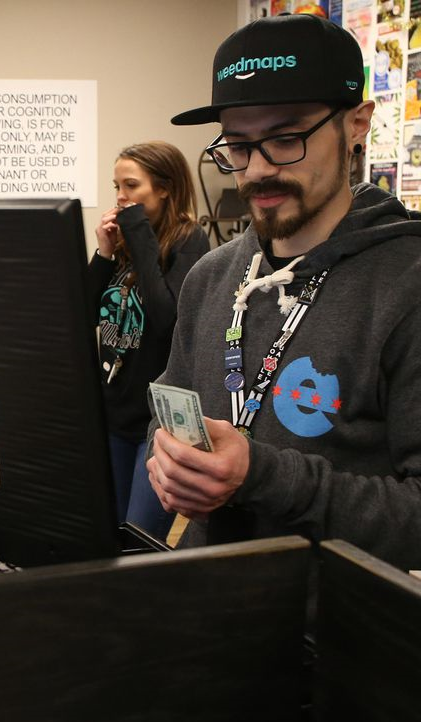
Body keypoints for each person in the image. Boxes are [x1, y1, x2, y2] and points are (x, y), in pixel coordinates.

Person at [149, 14, 421, 570]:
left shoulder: (407, 284)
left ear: (357, 125)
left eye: (285, 138)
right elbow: (170, 407)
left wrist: (262, 476)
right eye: (238, 145)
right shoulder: (210, 277)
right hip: (208, 597)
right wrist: (169, 458)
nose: (257, 170)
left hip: (339, 617)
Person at [87, 142, 209, 539]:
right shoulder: (123, 245)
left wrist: (138, 234)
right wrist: (104, 254)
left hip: (160, 426)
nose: (121, 197)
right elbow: (82, 316)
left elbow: (166, 321)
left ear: (165, 189)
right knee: (107, 534)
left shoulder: (190, 240)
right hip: (113, 415)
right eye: (117, 187)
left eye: (131, 185)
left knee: (139, 540)